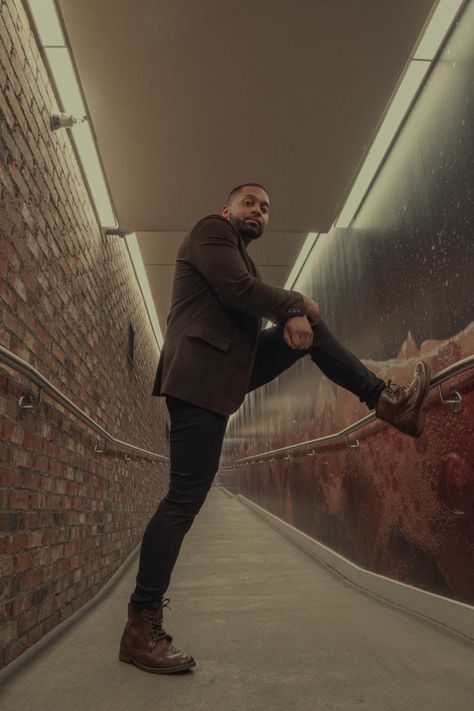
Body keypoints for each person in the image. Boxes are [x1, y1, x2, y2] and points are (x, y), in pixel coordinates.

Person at [119, 183, 430, 674]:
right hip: (199, 379)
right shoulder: (211, 232)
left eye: (265, 208)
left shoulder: (242, 255)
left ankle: (386, 401)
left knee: (309, 328)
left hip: (226, 374)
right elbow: (238, 292)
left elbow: (248, 293)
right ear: (228, 209)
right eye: (250, 203)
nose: (258, 212)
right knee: (182, 501)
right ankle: (140, 625)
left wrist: (293, 315)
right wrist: (293, 303)